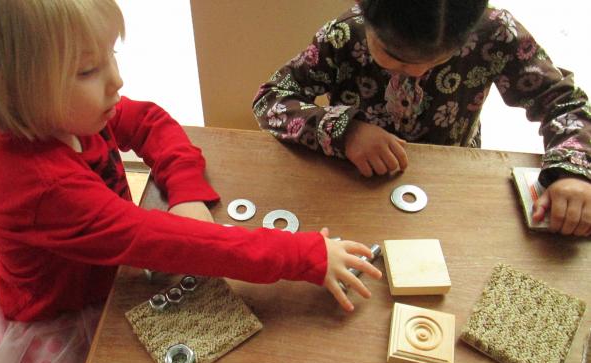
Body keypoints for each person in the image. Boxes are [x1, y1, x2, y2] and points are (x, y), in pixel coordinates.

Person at [0, 0, 382, 363]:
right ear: (10, 88)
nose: (117, 80)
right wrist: (304, 255)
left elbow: (151, 121)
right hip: (57, 317)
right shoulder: (43, 188)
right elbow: (169, 243)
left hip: (95, 271)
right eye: (87, 70)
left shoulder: (58, 114)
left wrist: (186, 191)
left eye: (109, 56)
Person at [253, 0, 591, 237]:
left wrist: (572, 171)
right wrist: (345, 131)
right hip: (352, 186)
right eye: (393, 55)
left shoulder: (497, 32)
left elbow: (564, 102)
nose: (415, 71)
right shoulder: (343, 36)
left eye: (438, 59)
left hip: (450, 186)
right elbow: (271, 98)